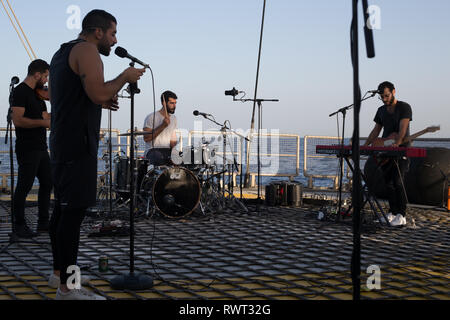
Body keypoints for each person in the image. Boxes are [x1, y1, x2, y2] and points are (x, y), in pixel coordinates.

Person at [48, 9, 145, 300]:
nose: (115, 40)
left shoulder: (62, 52)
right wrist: (125, 77)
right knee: (73, 215)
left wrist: (100, 100)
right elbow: (100, 93)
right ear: (98, 31)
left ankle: (58, 274)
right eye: (113, 33)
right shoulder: (88, 51)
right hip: (78, 143)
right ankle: (69, 289)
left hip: (63, 141)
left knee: (63, 212)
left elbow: (77, 95)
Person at [11, 59, 52, 238]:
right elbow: (18, 120)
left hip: (41, 147)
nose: (46, 81)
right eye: (45, 76)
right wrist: (43, 122)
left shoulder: (37, 95)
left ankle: (43, 223)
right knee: (24, 186)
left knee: (48, 182)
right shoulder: (20, 92)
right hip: (27, 147)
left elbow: (45, 117)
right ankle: (19, 225)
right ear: (37, 74)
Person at [364, 81, 412, 227]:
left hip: (401, 149)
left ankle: (402, 215)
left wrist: (397, 143)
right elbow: (376, 130)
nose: (384, 99)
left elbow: (403, 128)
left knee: (398, 181)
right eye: (382, 97)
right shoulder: (381, 110)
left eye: (386, 96)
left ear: (393, 92)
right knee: (388, 183)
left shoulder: (404, 107)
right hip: (385, 150)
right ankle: (392, 213)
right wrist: (365, 145)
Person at [142, 91, 178, 165]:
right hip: (153, 150)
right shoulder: (151, 117)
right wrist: (163, 125)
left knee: (183, 160)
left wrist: (175, 151)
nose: (174, 106)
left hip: (167, 151)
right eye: (171, 103)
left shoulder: (174, 118)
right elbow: (146, 138)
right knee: (158, 157)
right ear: (164, 103)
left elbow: (172, 141)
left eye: (175, 103)